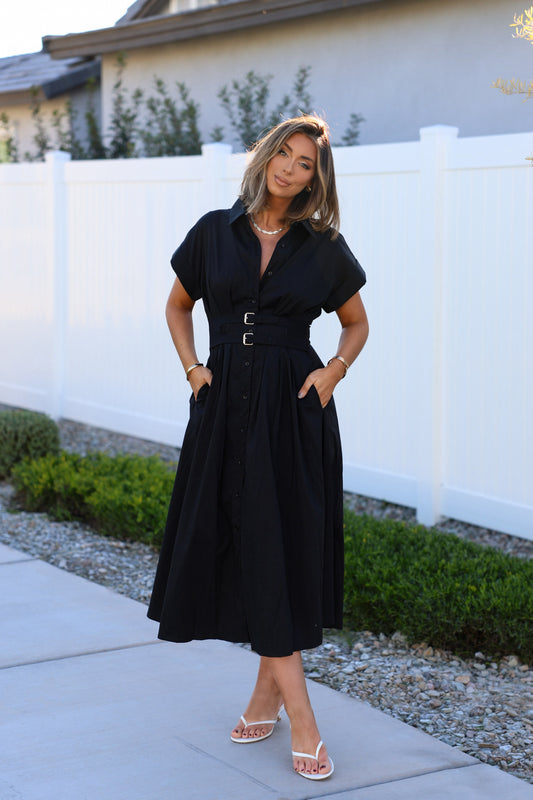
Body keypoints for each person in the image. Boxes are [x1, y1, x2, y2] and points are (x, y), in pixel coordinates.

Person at [147, 114, 369, 781]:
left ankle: (297, 717)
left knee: (274, 546)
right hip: (222, 412)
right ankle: (273, 700)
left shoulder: (322, 245)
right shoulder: (213, 231)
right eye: (285, 154)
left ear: (314, 179)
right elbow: (177, 306)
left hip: (290, 413)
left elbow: (356, 324)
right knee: (243, 541)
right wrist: (192, 369)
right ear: (265, 155)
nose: (291, 169)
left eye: (306, 164)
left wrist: (331, 373)